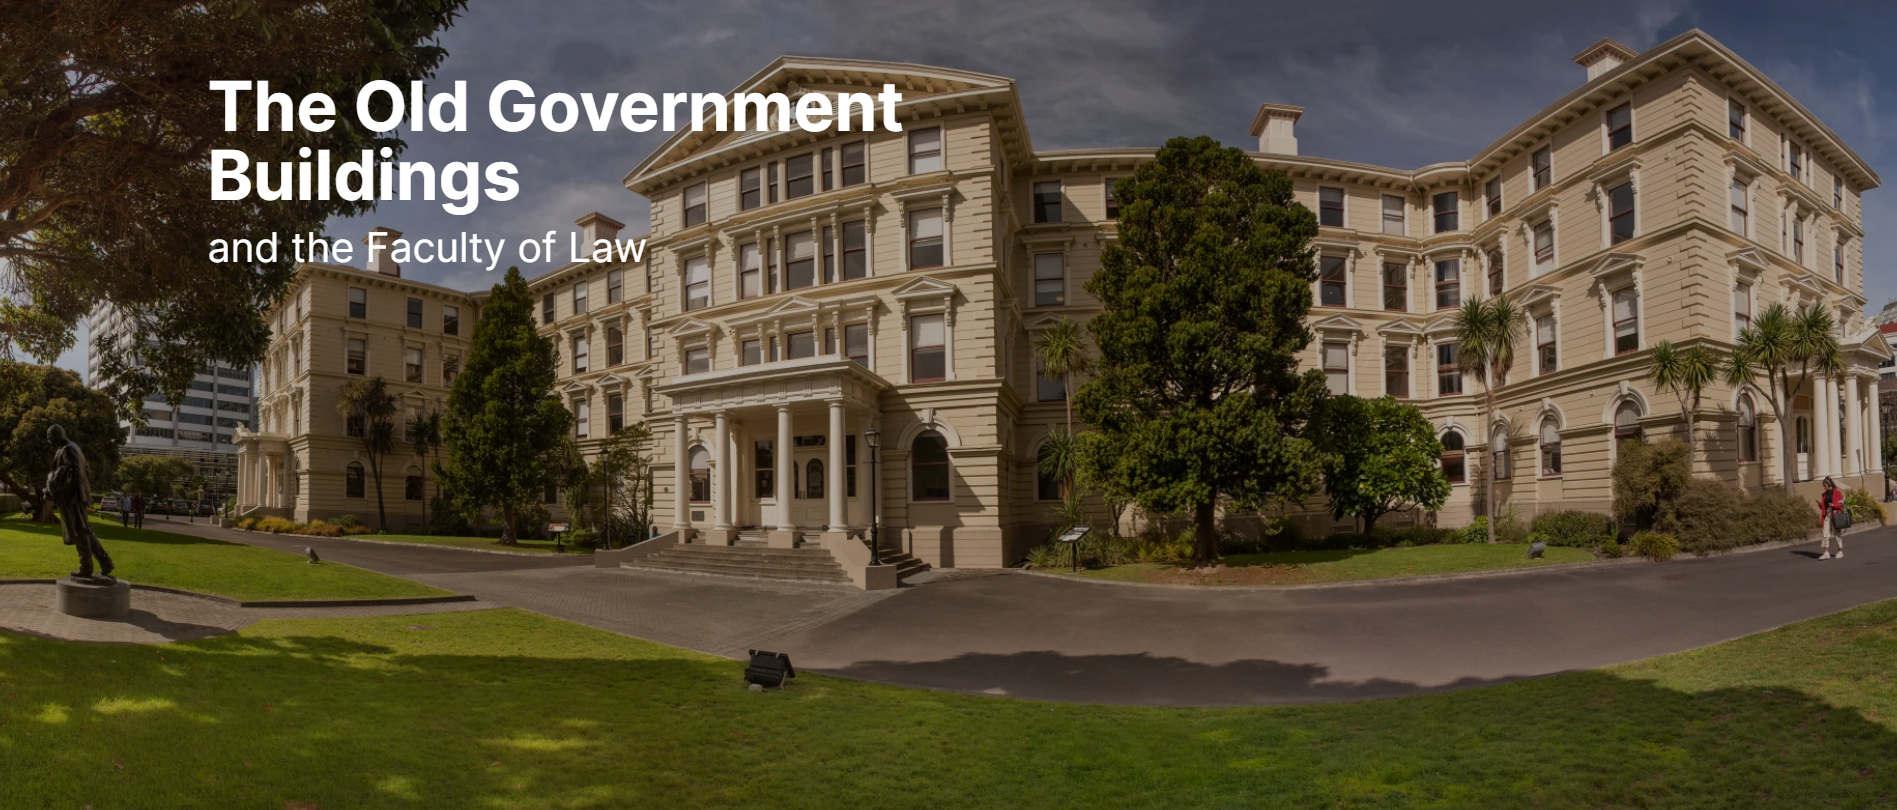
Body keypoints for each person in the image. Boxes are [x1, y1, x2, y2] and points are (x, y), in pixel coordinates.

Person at [43, 424, 113, 579]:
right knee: (86, 529)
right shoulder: (72, 447)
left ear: (56, 436)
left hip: (73, 497)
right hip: (75, 496)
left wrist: (57, 488)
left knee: (80, 531)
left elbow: (76, 474)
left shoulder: (68, 449)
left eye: (50, 439)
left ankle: (86, 568)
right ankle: (105, 561)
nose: (49, 442)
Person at [1818, 477, 1847, 561]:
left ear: (1829, 484)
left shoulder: (1837, 493)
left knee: (1836, 533)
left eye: (1825, 485)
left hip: (1835, 514)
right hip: (1827, 514)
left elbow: (1840, 504)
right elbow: (1824, 506)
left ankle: (1840, 550)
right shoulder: (1824, 495)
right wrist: (1820, 505)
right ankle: (1826, 552)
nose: (1824, 487)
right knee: (1825, 533)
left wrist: (1833, 505)